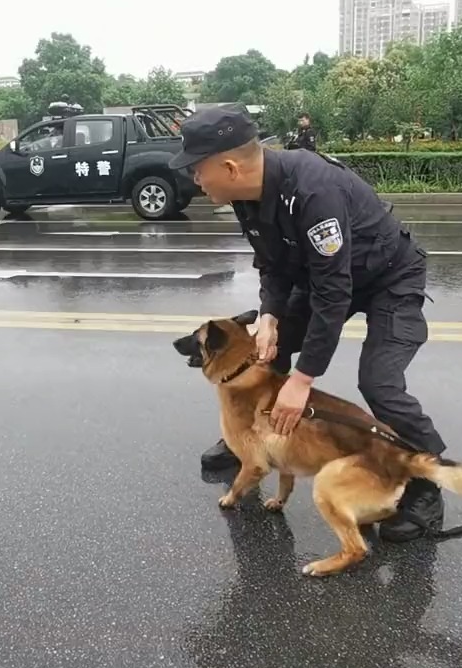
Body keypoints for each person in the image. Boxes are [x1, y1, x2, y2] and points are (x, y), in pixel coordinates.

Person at [169, 103, 446, 542]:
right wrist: (270, 315)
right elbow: (273, 265)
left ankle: (426, 487)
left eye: (198, 171)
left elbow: (334, 294)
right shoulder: (246, 196)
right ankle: (249, 437)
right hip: (326, 276)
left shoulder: (314, 193)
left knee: (380, 383)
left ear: (228, 166)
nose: (194, 180)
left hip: (387, 277)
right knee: (265, 347)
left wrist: (301, 381)